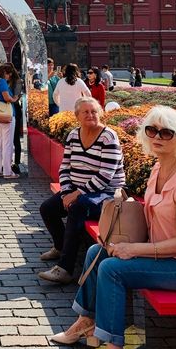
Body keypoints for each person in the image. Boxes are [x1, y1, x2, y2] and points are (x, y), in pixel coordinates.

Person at [52, 105, 176, 349]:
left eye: (166, 132)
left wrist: (134, 249)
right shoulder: (157, 169)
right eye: (151, 130)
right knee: (98, 252)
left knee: (112, 270)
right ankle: (86, 321)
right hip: (167, 256)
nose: (157, 137)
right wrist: (120, 240)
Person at [39, 97, 125, 285]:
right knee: (47, 208)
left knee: (77, 207)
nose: (90, 115)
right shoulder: (73, 135)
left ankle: (65, 269)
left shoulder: (108, 137)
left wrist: (76, 194)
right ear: (77, 115)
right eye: (85, 112)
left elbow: (105, 176)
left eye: (94, 111)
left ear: (100, 113)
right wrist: (66, 192)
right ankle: (61, 247)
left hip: (107, 194)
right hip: (79, 192)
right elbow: (65, 167)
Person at [0, 63, 20, 179]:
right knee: (7, 144)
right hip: (7, 116)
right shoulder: (1, 82)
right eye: (9, 74)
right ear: (5, 73)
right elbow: (6, 97)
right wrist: (14, 99)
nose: (9, 76)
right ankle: (7, 171)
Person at [6, 63, 24, 174]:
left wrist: (7, 98)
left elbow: (16, 97)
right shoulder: (4, 81)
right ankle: (7, 163)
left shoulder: (17, 81)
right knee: (7, 139)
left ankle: (16, 163)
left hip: (15, 109)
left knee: (15, 138)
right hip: (6, 109)